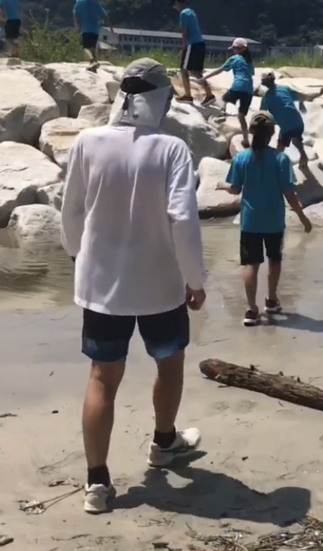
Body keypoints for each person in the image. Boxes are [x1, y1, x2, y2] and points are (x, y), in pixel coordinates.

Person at [60, 59, 208, 514]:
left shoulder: (88, 142)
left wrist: (77, 256)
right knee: (170, 364)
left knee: (103, 378)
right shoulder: (172, 149)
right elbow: (182, 219)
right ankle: (164, 442)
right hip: (160, 284)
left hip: (102, 285)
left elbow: (71, 212)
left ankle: (97, 483)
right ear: (162, 99)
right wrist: (195, 279)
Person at [218, 112, 313, 326]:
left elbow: (234, 189)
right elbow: (289, 193)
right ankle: (271, 299)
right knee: (275, 259)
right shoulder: (281, 159)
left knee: (250, 264)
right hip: (273, 221)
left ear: (251, 132)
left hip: (250, 221)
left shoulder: (241, 158)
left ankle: (251, 310)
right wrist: (302, 216)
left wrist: (222, 185)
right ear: (272, 134)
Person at [200, 38, 255, 147]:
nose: (233, 51)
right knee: (241, 115)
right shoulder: (249, 61)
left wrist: (205, 77)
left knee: (223, 100)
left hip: (237, 86)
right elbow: (251, 73)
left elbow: (220, 69)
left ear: (237, 49)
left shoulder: (234, 58)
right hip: (249, 90)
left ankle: (221, 115)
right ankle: (246, 139)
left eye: (234, 49)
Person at [259, 72, 310, 168]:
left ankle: (276, 165)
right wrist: (301, 104)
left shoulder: (266, 97)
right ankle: (303, 155)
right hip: (298, 122)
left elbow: (262, 113)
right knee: (296, 139)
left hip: (286, 126)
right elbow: (302, 96)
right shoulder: (284, 89)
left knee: (281, 144)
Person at [171, 0, 216, 105]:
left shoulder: (183, 13)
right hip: (200, 44)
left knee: (183, 69)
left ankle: (188, 96)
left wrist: (183, 47)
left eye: (174, 4)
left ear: (179, 2)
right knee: (196, 71)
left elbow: (185, 32)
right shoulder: (191, 11)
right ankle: (209, 95)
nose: (174, 7)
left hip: (192, 44)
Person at [73, 0, 114, 71]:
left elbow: (75, 14)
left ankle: (92, 60)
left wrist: (77, 25)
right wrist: (111, 27)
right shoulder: (96, 3)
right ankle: (94, 63)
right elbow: (105, 16)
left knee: (86, 48)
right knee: (92, 48)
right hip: (95, 30)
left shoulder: (80, 2)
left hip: (86, 29)